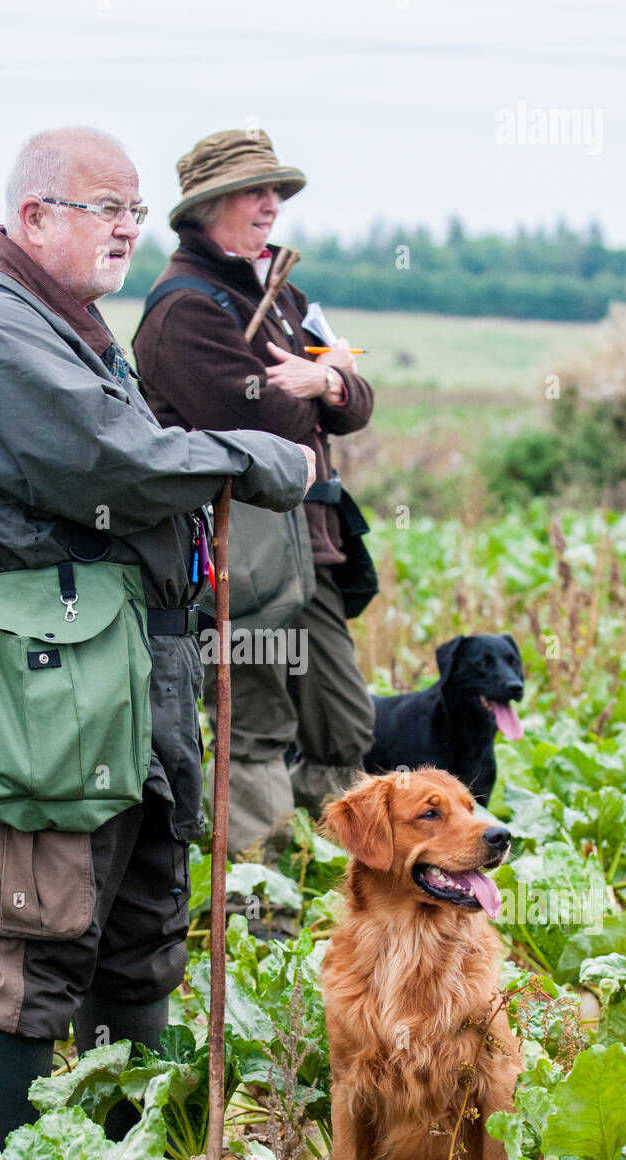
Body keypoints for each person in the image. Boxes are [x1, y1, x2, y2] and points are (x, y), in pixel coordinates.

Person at [0, 126, 314, 1143]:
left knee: (139, 927)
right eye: (108, 208)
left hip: (120, 679)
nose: (131, 228)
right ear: (35, 215)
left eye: (136, 210)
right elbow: (115, 461)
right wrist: (256, 458)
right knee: (25, 936)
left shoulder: (69, 323)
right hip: (36, 693)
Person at [132, 129, 376, 860]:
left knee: (343, 723)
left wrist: (327, 378)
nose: (272, 204)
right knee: (255, 725)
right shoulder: (184, 310)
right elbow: (264, 423)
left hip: (317, 544)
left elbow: (354, 406)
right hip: (242, 552)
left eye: (277, 190)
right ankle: (261, 912)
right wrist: (320, 385)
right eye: (254, 190)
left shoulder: (285, 293)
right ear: (208, 207)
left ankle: (336, 879)